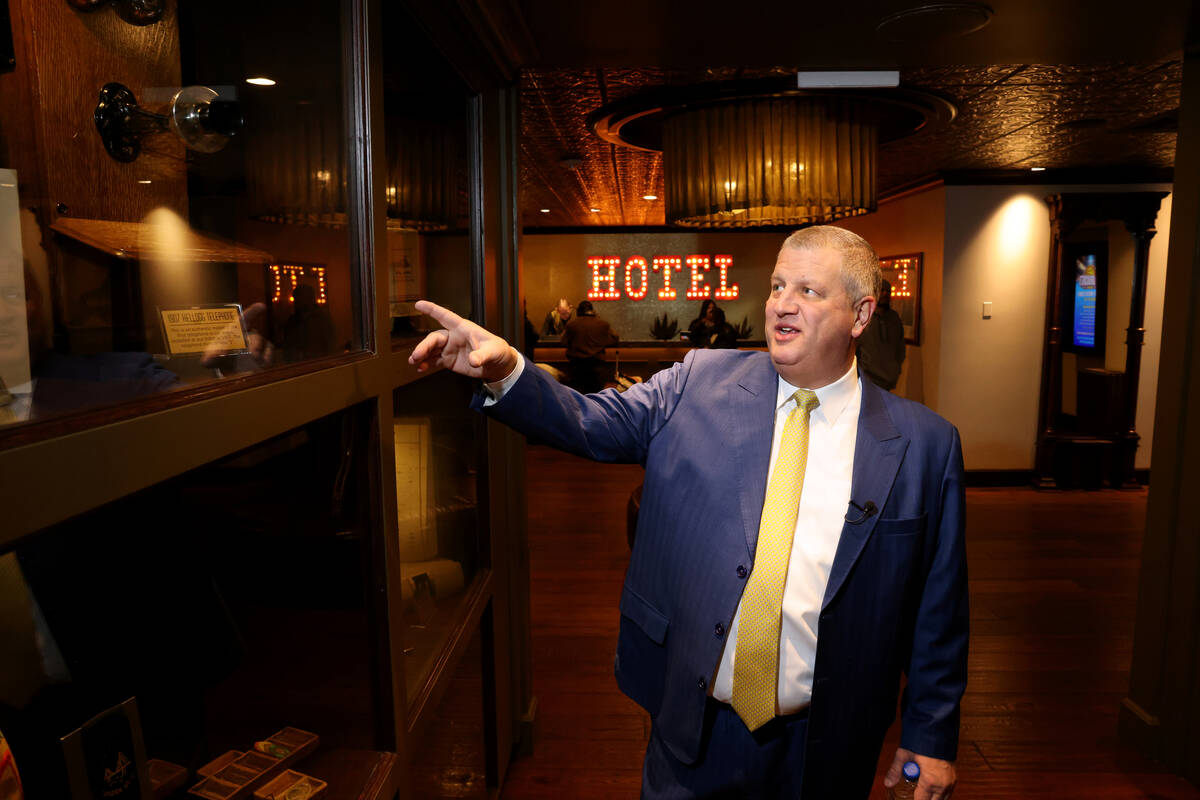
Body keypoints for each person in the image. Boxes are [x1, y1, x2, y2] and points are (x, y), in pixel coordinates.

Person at [409, 225, 966, 800]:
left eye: (808, 290)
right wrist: (505, 371)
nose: (782, 304)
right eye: (777, 285)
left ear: (860, 313)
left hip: (828, 744)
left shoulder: (924, 445)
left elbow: (938, 606)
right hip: (693, 727)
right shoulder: (699, 380)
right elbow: (591, 422)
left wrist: (930, 734)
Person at [857, 278, 907, 391]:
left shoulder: (894, 319)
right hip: (867, 380)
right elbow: (855, 349)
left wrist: (895, 369)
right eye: (882, 290)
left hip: (888, 381)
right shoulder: (864, 318)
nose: (885, 294)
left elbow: (900, 349)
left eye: (888, 291)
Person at [560, 299, 618, 394]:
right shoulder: (603, 324)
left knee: (577, 398)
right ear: (592, 310)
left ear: (579, 311)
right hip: (598, 370)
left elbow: (563, 342)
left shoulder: (571, 325)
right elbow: (614, 339)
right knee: (595, 399)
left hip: (576, 370)